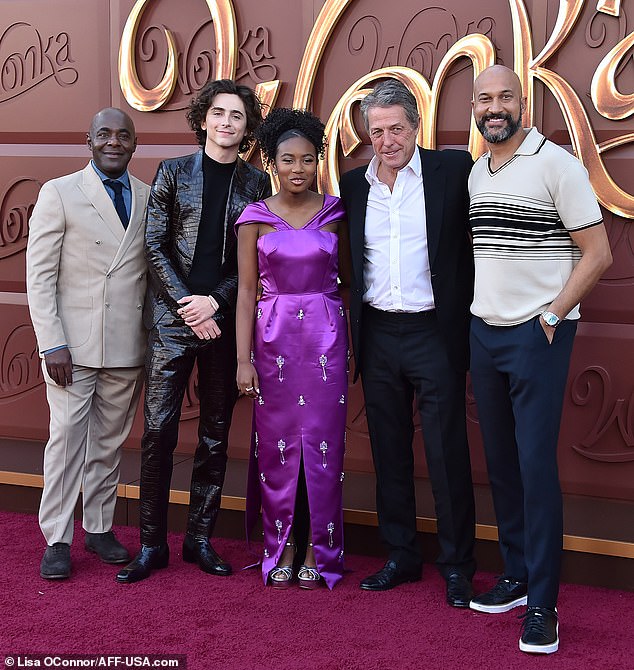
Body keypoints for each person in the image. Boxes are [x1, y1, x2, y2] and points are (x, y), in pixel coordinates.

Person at [467, 65, 613, 654]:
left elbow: (598, 253)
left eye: (504, 97)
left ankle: (545, 608)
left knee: (534, 468)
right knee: (501, 464)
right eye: (484, 98)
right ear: (474, 107)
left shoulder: (558, 164)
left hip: (538, 335)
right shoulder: (479, 171)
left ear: (522, 102)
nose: (494, 106)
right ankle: (518, 576)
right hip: (484, 332)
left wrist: (552, 315)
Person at [116, 79, 271, 584]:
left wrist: (215, 303)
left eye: (238, 116)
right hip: (172, 321)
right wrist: (189, 307)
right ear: (203, 118)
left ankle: (199, 540)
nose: (227, 123)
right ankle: (152, 545)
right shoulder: (172, 172)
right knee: (158, 431)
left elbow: (253, 264)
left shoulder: (256, 185)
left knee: (215, 434)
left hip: (224, 324)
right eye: (219, 113)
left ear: (247, 128)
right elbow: (154, 244)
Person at [338, 79, 476, 607]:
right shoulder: (354, 187)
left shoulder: (452, 172)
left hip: (433, 332)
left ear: (417, 126)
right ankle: (400, 554)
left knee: (447, 453)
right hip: (377, 333)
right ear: (366, 134)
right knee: (389, 450)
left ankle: (458, 564)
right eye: (377, 131)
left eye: (396, 128)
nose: (388, 140)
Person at [26, 108, 150, 579]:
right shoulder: (58, 192)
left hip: (124, 346)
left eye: (123, 134)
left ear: (134, 142)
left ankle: (98, 529)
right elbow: (39, 277)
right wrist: (51, 343)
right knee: (65, 442)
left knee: (108, 444)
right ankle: (56, 537)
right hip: (70, 350)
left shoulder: (146, 196)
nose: (113, 142)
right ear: (89, 141)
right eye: (104, 134)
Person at [235, 108, 349, 589]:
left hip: (326, 341)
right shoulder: (254, 217)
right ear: (272, 163)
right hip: (272, 341)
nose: (297, 168)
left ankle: (319, 554)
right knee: (277, 450)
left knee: (325, 449)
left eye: (307, 159)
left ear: (317, 160)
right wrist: (242, 359)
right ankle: (279, 546)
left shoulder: (337, 211)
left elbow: (349, 284)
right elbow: (244, 292)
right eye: (287, 160)